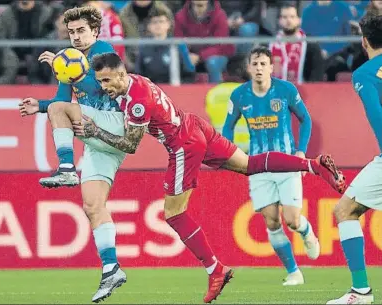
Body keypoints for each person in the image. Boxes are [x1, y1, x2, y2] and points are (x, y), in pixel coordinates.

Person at [73, 52, 347, 304]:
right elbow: (110, 97)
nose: (104, 86)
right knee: (250, 164)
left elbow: (129, 145)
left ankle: (215, 269)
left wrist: (94, 130)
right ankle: (311, 165)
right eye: (101, 81)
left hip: (183, 144)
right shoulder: (136, 81)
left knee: (173, 214)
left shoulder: (137, 102)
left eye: (107, 80)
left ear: (121, 74)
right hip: (196, 127)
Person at [18, 6, 127, 303]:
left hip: (116, 125)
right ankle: (111, 268)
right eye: (71, 32)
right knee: (93, 205)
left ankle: (66, 167)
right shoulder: (69, 63)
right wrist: (38, 106)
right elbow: (61, 102)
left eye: (81, 31)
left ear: (95, 31)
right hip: (97, 141)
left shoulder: (106, 51)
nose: (76, 37)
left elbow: (107, 87)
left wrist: (67, 68)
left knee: (58, 111)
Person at [222, 46, 318, 286]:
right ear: (248, 68)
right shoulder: (239, 95)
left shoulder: (285, 90)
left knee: (292, 220)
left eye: (263, 64)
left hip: (287, 164)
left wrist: (301, 151)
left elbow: (305, 119)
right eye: (255, 64)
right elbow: (227, 128)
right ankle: (294, 272)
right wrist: (231, 153)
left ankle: (306, 232)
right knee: (272, 222)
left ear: (271, 68)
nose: (259, 68)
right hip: (258, 167)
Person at [326, 14, 382, 305]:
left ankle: (361, 291)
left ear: (364, 41)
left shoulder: (365, 74)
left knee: (345, 211)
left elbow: (378, 117)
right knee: (345, 209)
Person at [269, 4, 324, 83]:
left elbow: (317, 76)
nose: (288, 20)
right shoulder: (270, 45)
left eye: (292, 17)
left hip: (304, 92)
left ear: (299, 20)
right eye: (284, 17)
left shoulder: (311, 46)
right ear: (279, 21)